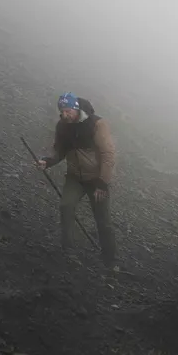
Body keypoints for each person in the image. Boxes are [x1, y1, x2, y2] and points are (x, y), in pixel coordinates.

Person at [36, 92, 118, 273]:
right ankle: (69, 250)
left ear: (76, 108)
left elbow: (108, 154)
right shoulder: (62, 126)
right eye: (62, 112)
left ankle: (110, 260)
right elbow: (60, 151)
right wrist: (47, 162)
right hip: (75, 178)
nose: (65, 115)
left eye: (68, 111)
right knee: (66, 206)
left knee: (103, 221)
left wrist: (102, 182)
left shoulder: (97, 124)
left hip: (96, 179)